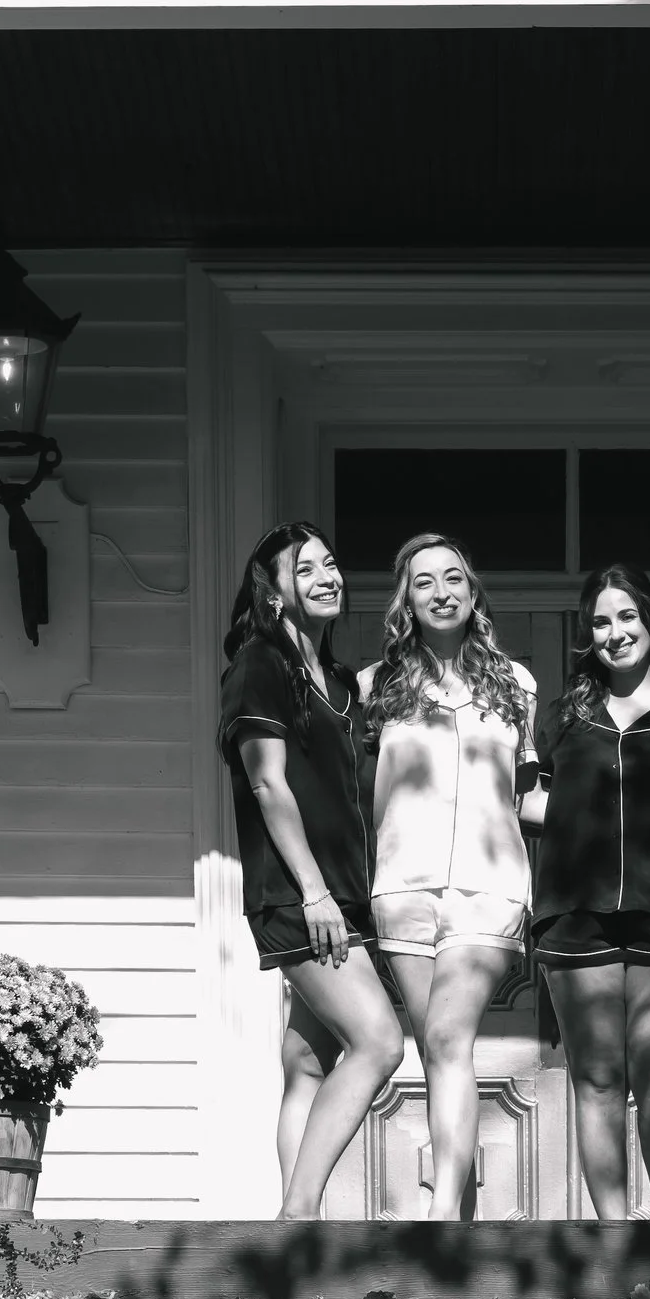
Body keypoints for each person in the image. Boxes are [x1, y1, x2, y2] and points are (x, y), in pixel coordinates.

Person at [217, 521, 406, 1220]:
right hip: (299, 893)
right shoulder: (258, 665)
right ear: (273, 593)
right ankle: (299, 1217)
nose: (328, 577)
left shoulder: (338, 683)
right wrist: (317, 892)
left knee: (306, 1063)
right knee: (380, 1044)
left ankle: (290, 1242)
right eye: (307, 569)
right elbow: (268, 785)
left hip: (344, 896)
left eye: (331, 564)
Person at [520, 564, 650, 1220]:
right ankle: (613, 1240)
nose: (614, 631)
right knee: (597, 1079)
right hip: (577, 916)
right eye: (600, 621)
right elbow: (528, 803)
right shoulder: (564, 719)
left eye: (626, 616)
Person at [362, 533, 538, 1220]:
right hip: (402, 886)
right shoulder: (376, 688)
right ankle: (459, 1222)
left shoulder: (515, 684)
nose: (442, 591)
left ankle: (440, 1215)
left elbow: (528, 793)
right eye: (425, 581)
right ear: (407, 598)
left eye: (455, 578)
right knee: (438, 1052)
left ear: (473, 592)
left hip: (490, 887)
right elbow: (361, 792)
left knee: (446, 1038)